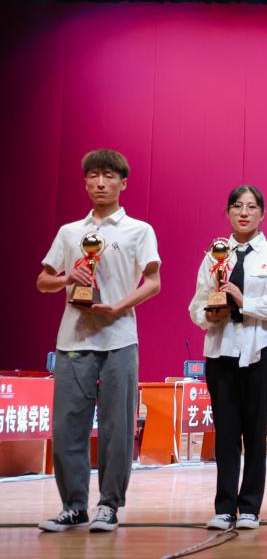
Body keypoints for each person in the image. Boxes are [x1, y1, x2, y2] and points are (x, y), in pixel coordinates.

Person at [37, 149, 161, 533]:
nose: (101, 183)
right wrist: (67, 278)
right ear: (85, 182)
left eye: (109, 176)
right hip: (73, 339)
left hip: (119, 338)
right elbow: (43, 281)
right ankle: (73, 506)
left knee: (116, 427)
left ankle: (109, 505)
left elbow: (153, 282)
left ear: (123, 183)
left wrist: (118, 306)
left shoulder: (139, 230)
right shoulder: (70, 232)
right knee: (68, 426)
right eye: (93, 176)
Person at [188, 185, 267, 531]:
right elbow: (196, 305)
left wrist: (244, 301)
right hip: (221, 351)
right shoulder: (214, 255)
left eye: (251, 207)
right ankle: (224, 508)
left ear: (262, 214)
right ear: (228, 212)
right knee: (226, 433)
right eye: (237, 206)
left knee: (255, 433)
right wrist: (209, 315)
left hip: (260, 351)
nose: (244, 213)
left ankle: (249, 507)